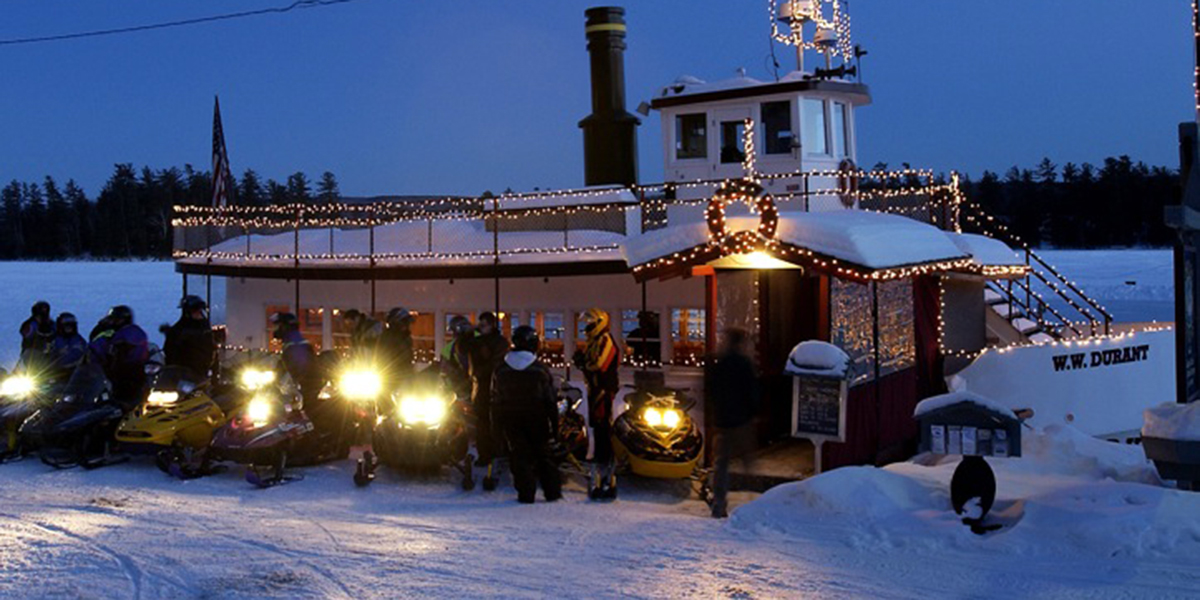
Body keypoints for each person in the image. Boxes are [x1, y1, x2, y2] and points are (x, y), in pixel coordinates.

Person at [492, 326, 562, 504]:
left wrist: (496, 427)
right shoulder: (539, 369)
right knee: (543, 454)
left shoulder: (501, 369)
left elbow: (495, 399)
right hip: (536, 416)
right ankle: (552, 492)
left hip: (510, 417)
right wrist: (555, 426)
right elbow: (550, 399)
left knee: (519, 455)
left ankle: (526, 493)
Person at [704, 328, 760, 519]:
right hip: (741, 418)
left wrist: (714, 413)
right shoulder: (744, 363)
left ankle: (719, 503)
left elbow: (711, 389)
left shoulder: (720, 363)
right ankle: (757, 502)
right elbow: (752, 390)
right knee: (747, 460)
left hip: (723, 418)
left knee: (722, 463)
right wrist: (753, 412)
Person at [573, 307, 621, 499]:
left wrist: (584, 363)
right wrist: (581, 361)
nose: (588, 327)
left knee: (603, 423)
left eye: (591, 323)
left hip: (604, 388)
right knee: (595, 423)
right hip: (594, 388)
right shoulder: (593, 340)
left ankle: (605, 458)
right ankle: (599, 455)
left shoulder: (605, 339)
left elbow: (601, 364)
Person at [87, 306, 150, 411]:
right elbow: (96, 345)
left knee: (127, 403)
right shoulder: (112, 332)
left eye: (117, 319)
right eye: (113, 319)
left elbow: (129, 347)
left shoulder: (131, 332)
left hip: (131, 376)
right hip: (112, 375)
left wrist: (120, 349)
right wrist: (100, 327)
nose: (114, 322)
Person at [468, 312, 510, 468]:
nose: (482, 327)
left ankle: (496, 452)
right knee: (482, 424)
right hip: (480, 387)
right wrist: (469, 333)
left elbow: (496, 363)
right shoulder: (477, 341)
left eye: (484, 324)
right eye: (481, 324)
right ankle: (485, 454)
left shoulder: (500, 343)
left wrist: (481, 371)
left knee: (493, 423)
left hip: (494, 388)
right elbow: (463, 347)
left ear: (492, 325)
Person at [162, 295, 216, 378]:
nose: (199, 314)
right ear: (188, 312)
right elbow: (169, 351)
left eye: (201, 311)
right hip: (182, 372)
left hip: (202, 371)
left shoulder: (205, 327)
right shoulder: (178, 330)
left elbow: (210, 347)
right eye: (196, 311)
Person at [440, 315, 473, 402]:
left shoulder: (449, 348)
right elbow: (444, 370)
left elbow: (444, 371)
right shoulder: (481, 340)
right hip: (468, 386)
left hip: (462, 387)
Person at [378, 307, 416, 384]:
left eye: (407, 323)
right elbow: (380, 355)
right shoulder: (386, 338)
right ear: (395, 323)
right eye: (404, 322)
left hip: (404, 376)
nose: (406, 326)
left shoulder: (406, 338)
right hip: (386, 376)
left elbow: (408, 356)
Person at [47, 313, 87, 383]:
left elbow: (87, 352)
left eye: (71, 325)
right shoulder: (53, 340)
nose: (69, 328)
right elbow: (45, 355)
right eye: (66, 325)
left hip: (76, 373)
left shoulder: (79, 340)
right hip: (57, 373)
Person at [18, 301, 55, 368]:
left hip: (48, 357)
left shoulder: (52, 325)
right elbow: (26, 333)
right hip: (31, 356)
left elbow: (58, 335)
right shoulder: (30, 324)